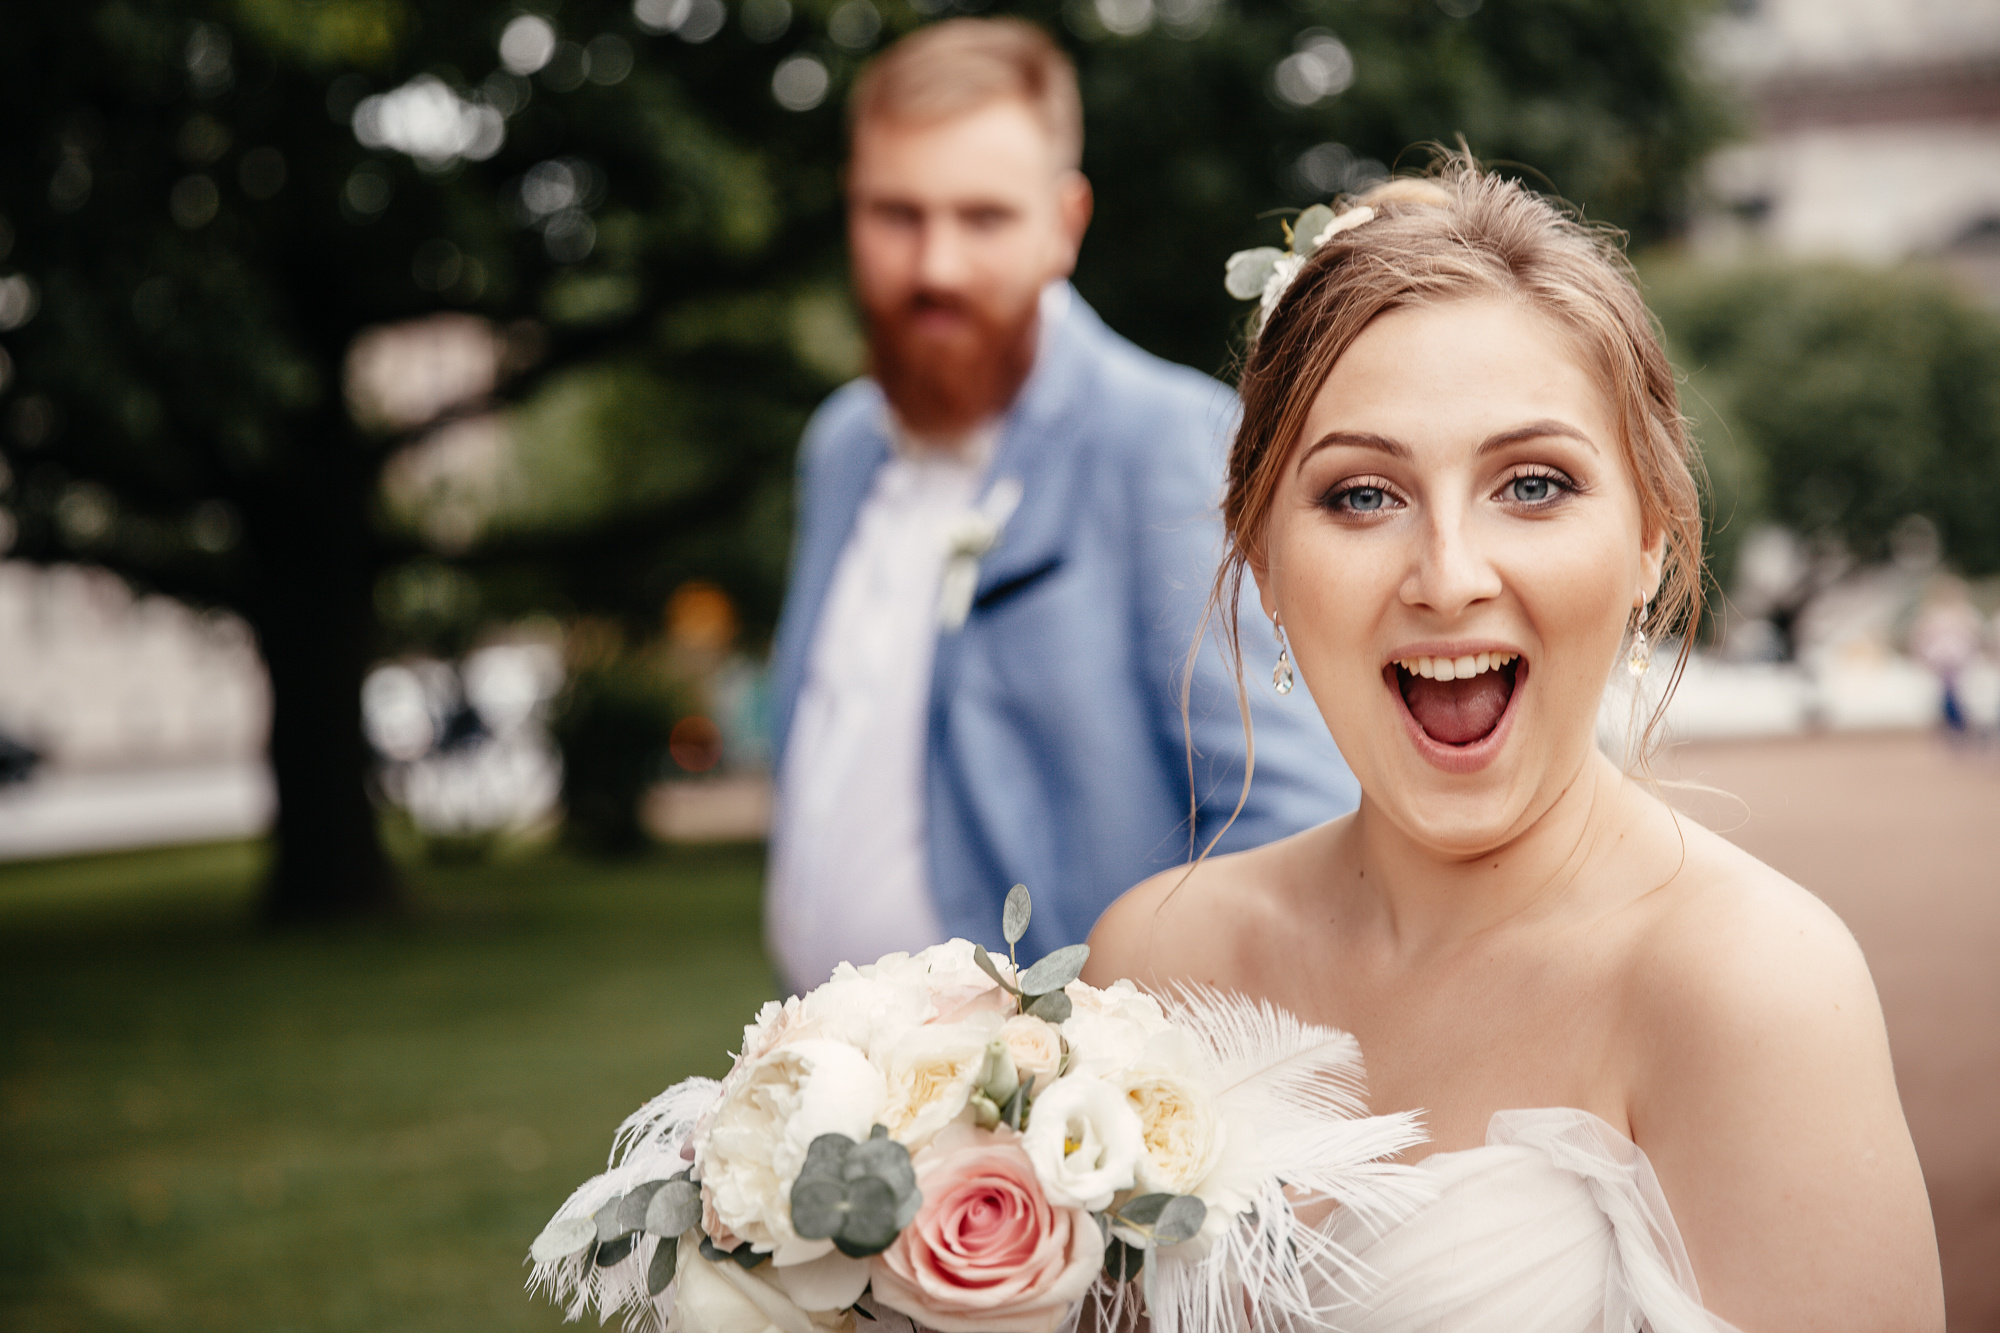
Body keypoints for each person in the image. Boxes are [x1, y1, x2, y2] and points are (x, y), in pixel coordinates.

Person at [1086, 163, 1945, 1330]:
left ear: (1648, 536)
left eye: (1530, 484)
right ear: (1261, 559)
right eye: (1359, 496)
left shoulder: (1751, 989)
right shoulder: (1151, 961)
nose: (1447, 577)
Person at [765, 19, 1356, 996]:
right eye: (896, 214)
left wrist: (1123, 1086)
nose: (933, 268)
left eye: (982, 218)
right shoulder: (837, 448)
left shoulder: (1164, 442)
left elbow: (1291, 819)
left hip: (1053, 1114)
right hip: (821, 1091)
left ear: (1063, 222)